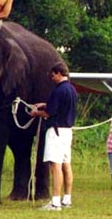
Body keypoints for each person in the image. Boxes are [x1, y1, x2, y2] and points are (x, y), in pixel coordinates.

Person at [29, 62, 78, 211]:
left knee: (55, 165)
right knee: (66, 164)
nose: (52, 78)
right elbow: (59, 106)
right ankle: (67, 199)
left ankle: (55, 202)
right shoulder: (72, 90)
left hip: (56, 131)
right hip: (67, 131)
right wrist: (45, 104)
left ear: (58, 73)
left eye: (53, 75)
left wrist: (36, 112)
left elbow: (49, 113)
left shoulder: (59, 90)